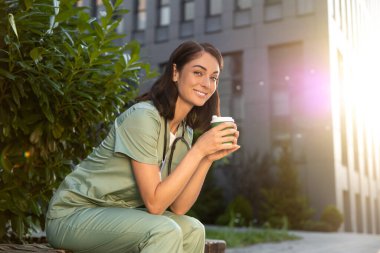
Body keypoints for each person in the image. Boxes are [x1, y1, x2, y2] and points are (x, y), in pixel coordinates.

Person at [45, 40, 240, 253]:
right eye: (198, 73)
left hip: (119, 214)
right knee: (163, 230)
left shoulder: (185, 132)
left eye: (213, 78)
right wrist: (199, 149)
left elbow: (179, 207)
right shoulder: (143, 117)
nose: (207, 84)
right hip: (73, 215)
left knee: (193, 229)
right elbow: (155, 205)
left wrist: (207, 158)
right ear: (175, 72)